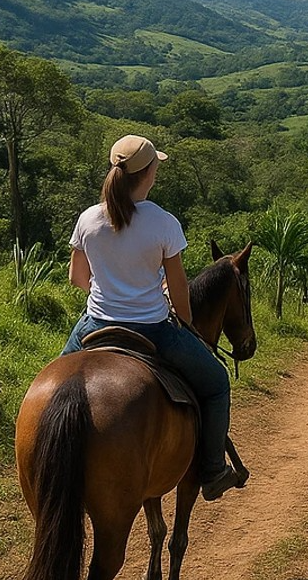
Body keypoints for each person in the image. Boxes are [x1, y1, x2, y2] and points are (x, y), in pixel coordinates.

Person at [64, 134, 243, 501]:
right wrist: (188, 324)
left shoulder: (88, 219)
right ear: (148, 174)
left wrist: (109, 294)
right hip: (153, 329)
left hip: (94, 325)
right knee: (216, 383)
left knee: (56, 388)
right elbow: (179, 291)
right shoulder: (163, 222)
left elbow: (77, 278)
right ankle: (212, 470)